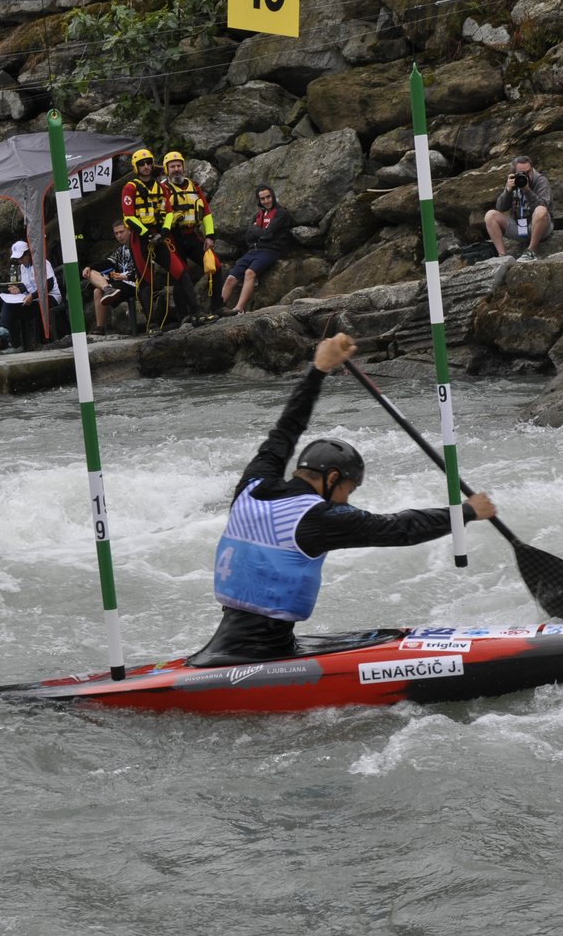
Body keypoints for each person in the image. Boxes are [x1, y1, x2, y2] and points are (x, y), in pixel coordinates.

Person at [188, 332, 497, 666]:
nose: (346, 500)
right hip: (255, 654)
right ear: (332, 478)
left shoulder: (252, 486)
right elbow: (399, 529)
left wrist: (319, 369)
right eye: (348, 490)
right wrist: (465, 512)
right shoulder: (318, 518)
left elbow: (286, 428)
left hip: (240, 645)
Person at [120, 148, 192, 329]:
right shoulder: (130, 187)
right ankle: (152, 324)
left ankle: (197, 311)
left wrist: (164, 232)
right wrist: (146, 234)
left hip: (159, 236)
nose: (146, 166)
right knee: (145, 281)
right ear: (136, 167)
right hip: (140, 237)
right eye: (142, 164)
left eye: (148, 163)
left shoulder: (160, 187)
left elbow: (168, 212)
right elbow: (129, 217)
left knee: (180, 271)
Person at [222, 184, 291, 315]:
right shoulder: (258, 215)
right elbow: (249, 237)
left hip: (271, 250)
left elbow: (267, 234)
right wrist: (259, 232)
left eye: (268, 197)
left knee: (250, 273)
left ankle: (239, 309)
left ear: (273, 196)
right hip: (253, 250)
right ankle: (218, 309)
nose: (266, 201)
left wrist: (255, 229)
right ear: (259, 200)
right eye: (263, 199)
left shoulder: (281, 213)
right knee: (231, 277)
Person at [160, 151, 215, 316]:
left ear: (183, 167)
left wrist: (210, 236)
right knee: (180, 275)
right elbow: (159, 213)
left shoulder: (194, 186)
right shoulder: (162, 189)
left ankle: (218, 305)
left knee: (216, 267)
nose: (176, 169)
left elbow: (206, 212)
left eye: (178, 166)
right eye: (172, 167)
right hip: (173, 237)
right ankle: (183, 316)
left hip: (192, 235)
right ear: (166, 169)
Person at [483, 155, 552, 261]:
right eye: (521, 173)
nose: (526, 175)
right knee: (490, 215)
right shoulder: (514, 182)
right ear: (514, 172)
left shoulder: (541, 181)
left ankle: (531, 251)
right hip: (519, 227)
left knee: (540, 210)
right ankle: (502, 256)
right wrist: (508, 190)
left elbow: (543, 207)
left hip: (539, 227)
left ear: (532, 169)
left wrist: (527, 190)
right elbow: (500, 207)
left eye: (528, 172)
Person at [0, 240, 61, 352]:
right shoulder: (22, 267)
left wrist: (33, 296)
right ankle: (12, 340)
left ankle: (6, 331)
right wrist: (18, 290)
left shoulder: (42, 263)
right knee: (8, 304)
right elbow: (27, 287)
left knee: (12, 310)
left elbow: (48, 285)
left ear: (28, 254)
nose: (20, 261)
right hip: (34, 298)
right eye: (18, 258)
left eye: (22, 257)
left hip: (50, 297)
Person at [81, 220, 139, 334]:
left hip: (135, 282)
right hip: (119, 284)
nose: (119, 236)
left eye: (121, 232)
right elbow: (107, 263)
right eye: (116, 233)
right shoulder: (120, 250)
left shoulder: (139, 247)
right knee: (94, 281)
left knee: (99, 290)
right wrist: (89, 266)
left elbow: (146, 270)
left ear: (129, 230)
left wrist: (126, 277)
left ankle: (108, 289)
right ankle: (100, 327)